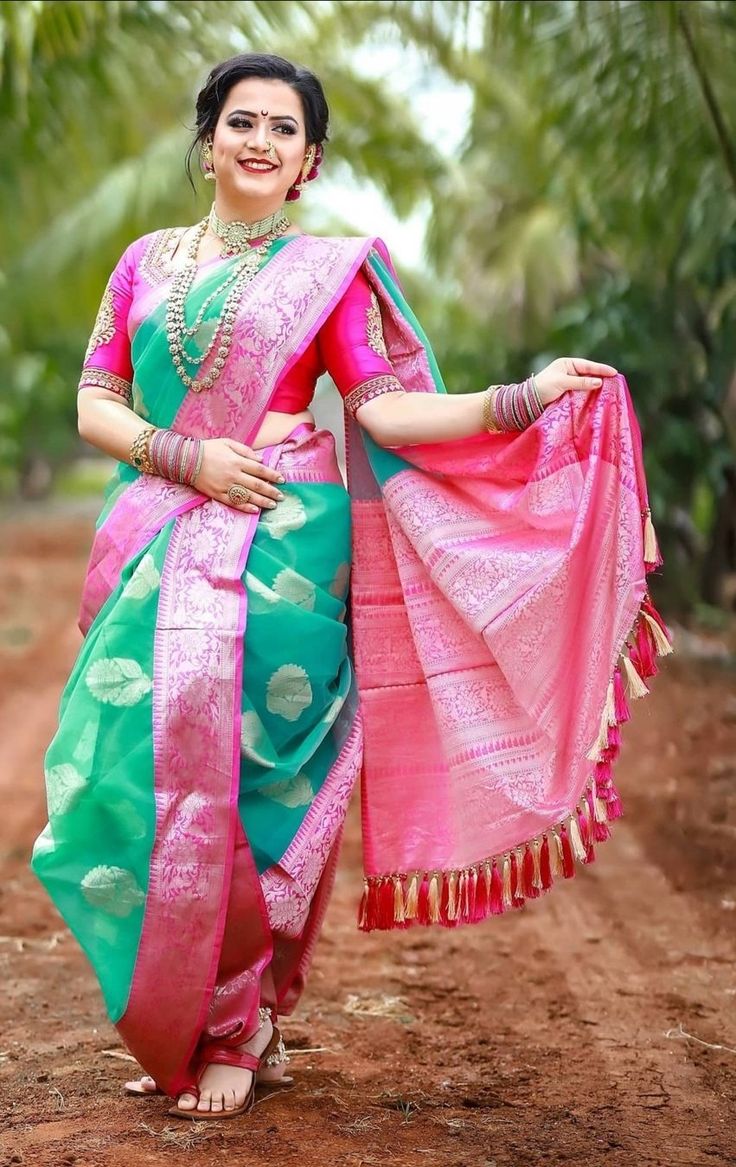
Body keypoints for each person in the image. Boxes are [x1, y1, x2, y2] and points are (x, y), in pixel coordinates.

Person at [30, 52, 671, 1121]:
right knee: (128, 784)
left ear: (310, 163)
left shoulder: (329, 273)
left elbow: (382, 413)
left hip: (278, 558)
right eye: (242, 121)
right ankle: (173, 1019)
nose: (261, 142)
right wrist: (186, 458)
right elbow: (96, 402)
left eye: (285, 130)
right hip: (152, 536)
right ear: (207, 140)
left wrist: (519, 398)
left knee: (250, 791)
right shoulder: (143, 261)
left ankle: (242, 1023)